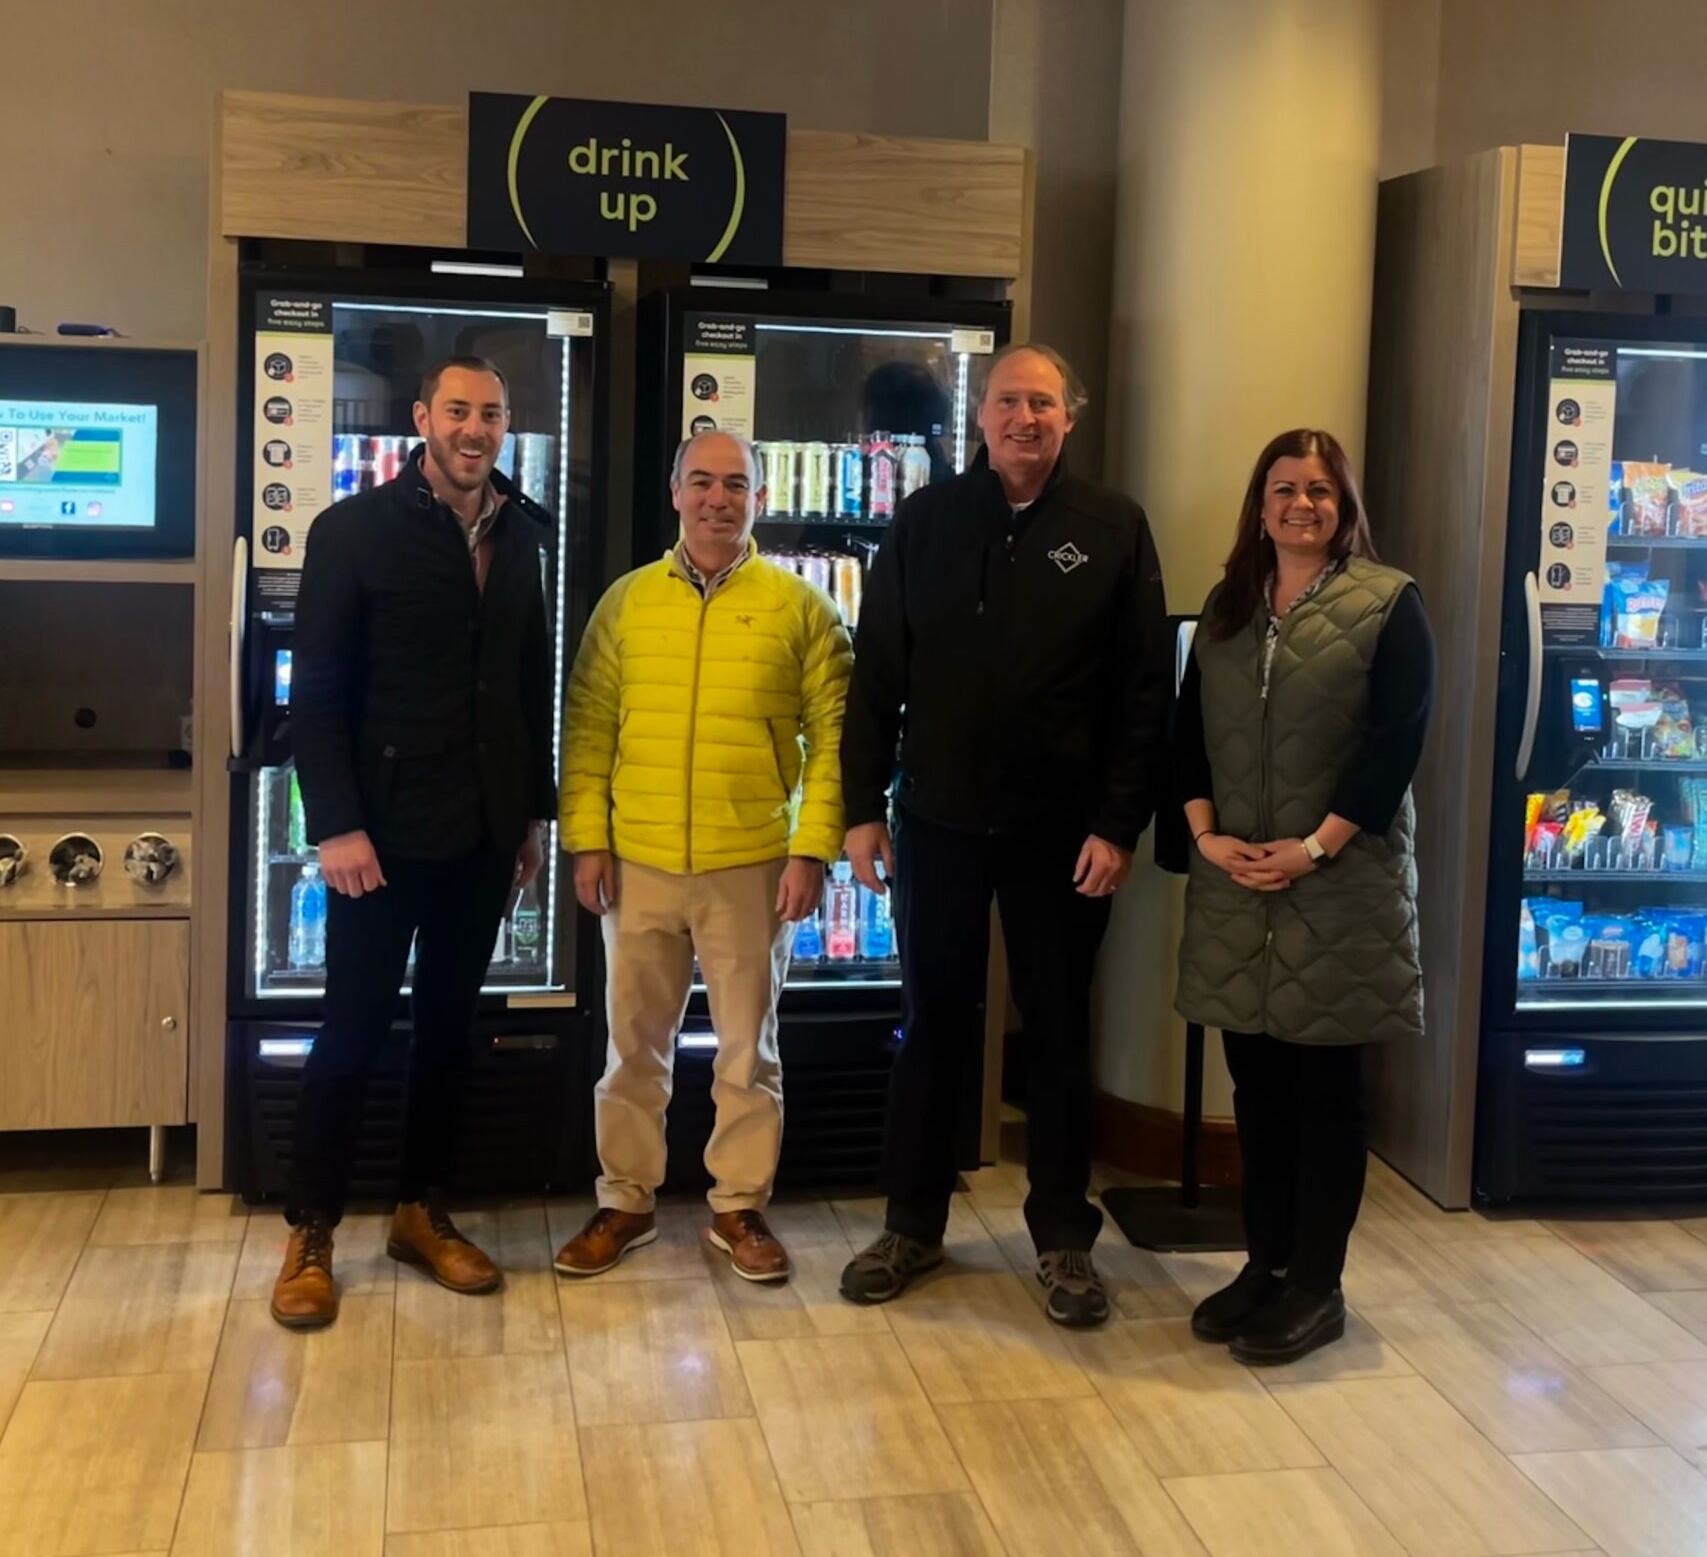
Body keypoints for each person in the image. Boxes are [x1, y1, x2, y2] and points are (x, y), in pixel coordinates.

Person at [838, 344, 1167, 1327]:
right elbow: (876, 672)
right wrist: (861, 808)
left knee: (1057, 1034)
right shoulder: (927, 520)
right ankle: (911, 1225)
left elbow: (1142, 692)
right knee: (930, 1025)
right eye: (1009, 402)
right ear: (979, 417)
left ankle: (1064, 1241)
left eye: (1043, 403)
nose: (1025, 418)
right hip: (936, 821)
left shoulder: (1112, 526)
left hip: (1062, 834)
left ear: (1071, 416)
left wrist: (1117, 824)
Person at [270, 357, 556, 1331]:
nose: (475, 429)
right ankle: (311, 1230)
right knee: (349, 1035)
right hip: (379, 838)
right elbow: (315, 696)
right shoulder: (351, 530)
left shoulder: (522, 534)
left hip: (481, 834)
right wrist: (335, 824)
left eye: (492, 414)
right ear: (423, 419)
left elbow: (527, 685)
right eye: (459, 411)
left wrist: (529, 820)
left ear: (505, 428)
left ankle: (419, 1212)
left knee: (448, 1032)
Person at [551, 431, 853, 1283]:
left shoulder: (802, 609)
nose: (719, 499)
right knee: (630, 1049)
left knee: (748, 1054)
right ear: (675, 491)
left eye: (736, 485)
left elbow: (835, 741)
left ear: (760, 497)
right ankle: (625, 1201)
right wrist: (587, 839)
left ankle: (739, 1207)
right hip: (637, 862)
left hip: (752, 864)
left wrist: (811, 850)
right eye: (703, 483)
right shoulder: (626, 603)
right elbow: (588, 729)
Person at [1170, 429, 1433, 1367]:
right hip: (1239, 884)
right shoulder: (1228, 607)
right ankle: (1266, 1265)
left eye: (1319, 490)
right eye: (1284, 489)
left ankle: (1317, 1286)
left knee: (1326, 1096)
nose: (1301, 505)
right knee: (1257, 1089)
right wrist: (1207, 838)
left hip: (1340, 885)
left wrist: (1315, 849)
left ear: (1343, 504)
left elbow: (1396, 743)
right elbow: (1188, 734)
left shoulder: (1389, 602)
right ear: (1261, 505)